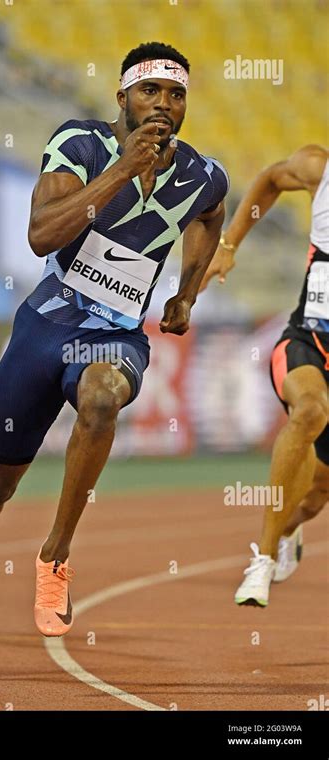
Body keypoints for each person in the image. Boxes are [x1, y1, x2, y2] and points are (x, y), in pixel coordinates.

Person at [0, 41, 229, 654]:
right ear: (122, 97)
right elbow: (42, 235)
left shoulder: (200, 174)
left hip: (116, 335)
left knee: (101, 399)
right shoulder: (82, 145)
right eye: (151, 91)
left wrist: (187, 294)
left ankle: (55, 557)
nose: (165, 105)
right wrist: (123, 169)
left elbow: (212, 214)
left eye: (177, 95)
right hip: (48, 327)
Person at [201, 144, 328, 606]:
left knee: (315, 497)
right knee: (310, 411)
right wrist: (229, 245)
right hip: (307, 343)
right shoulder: (318, 167)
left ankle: (290, 530)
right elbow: (272, 179)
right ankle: (265, 558)